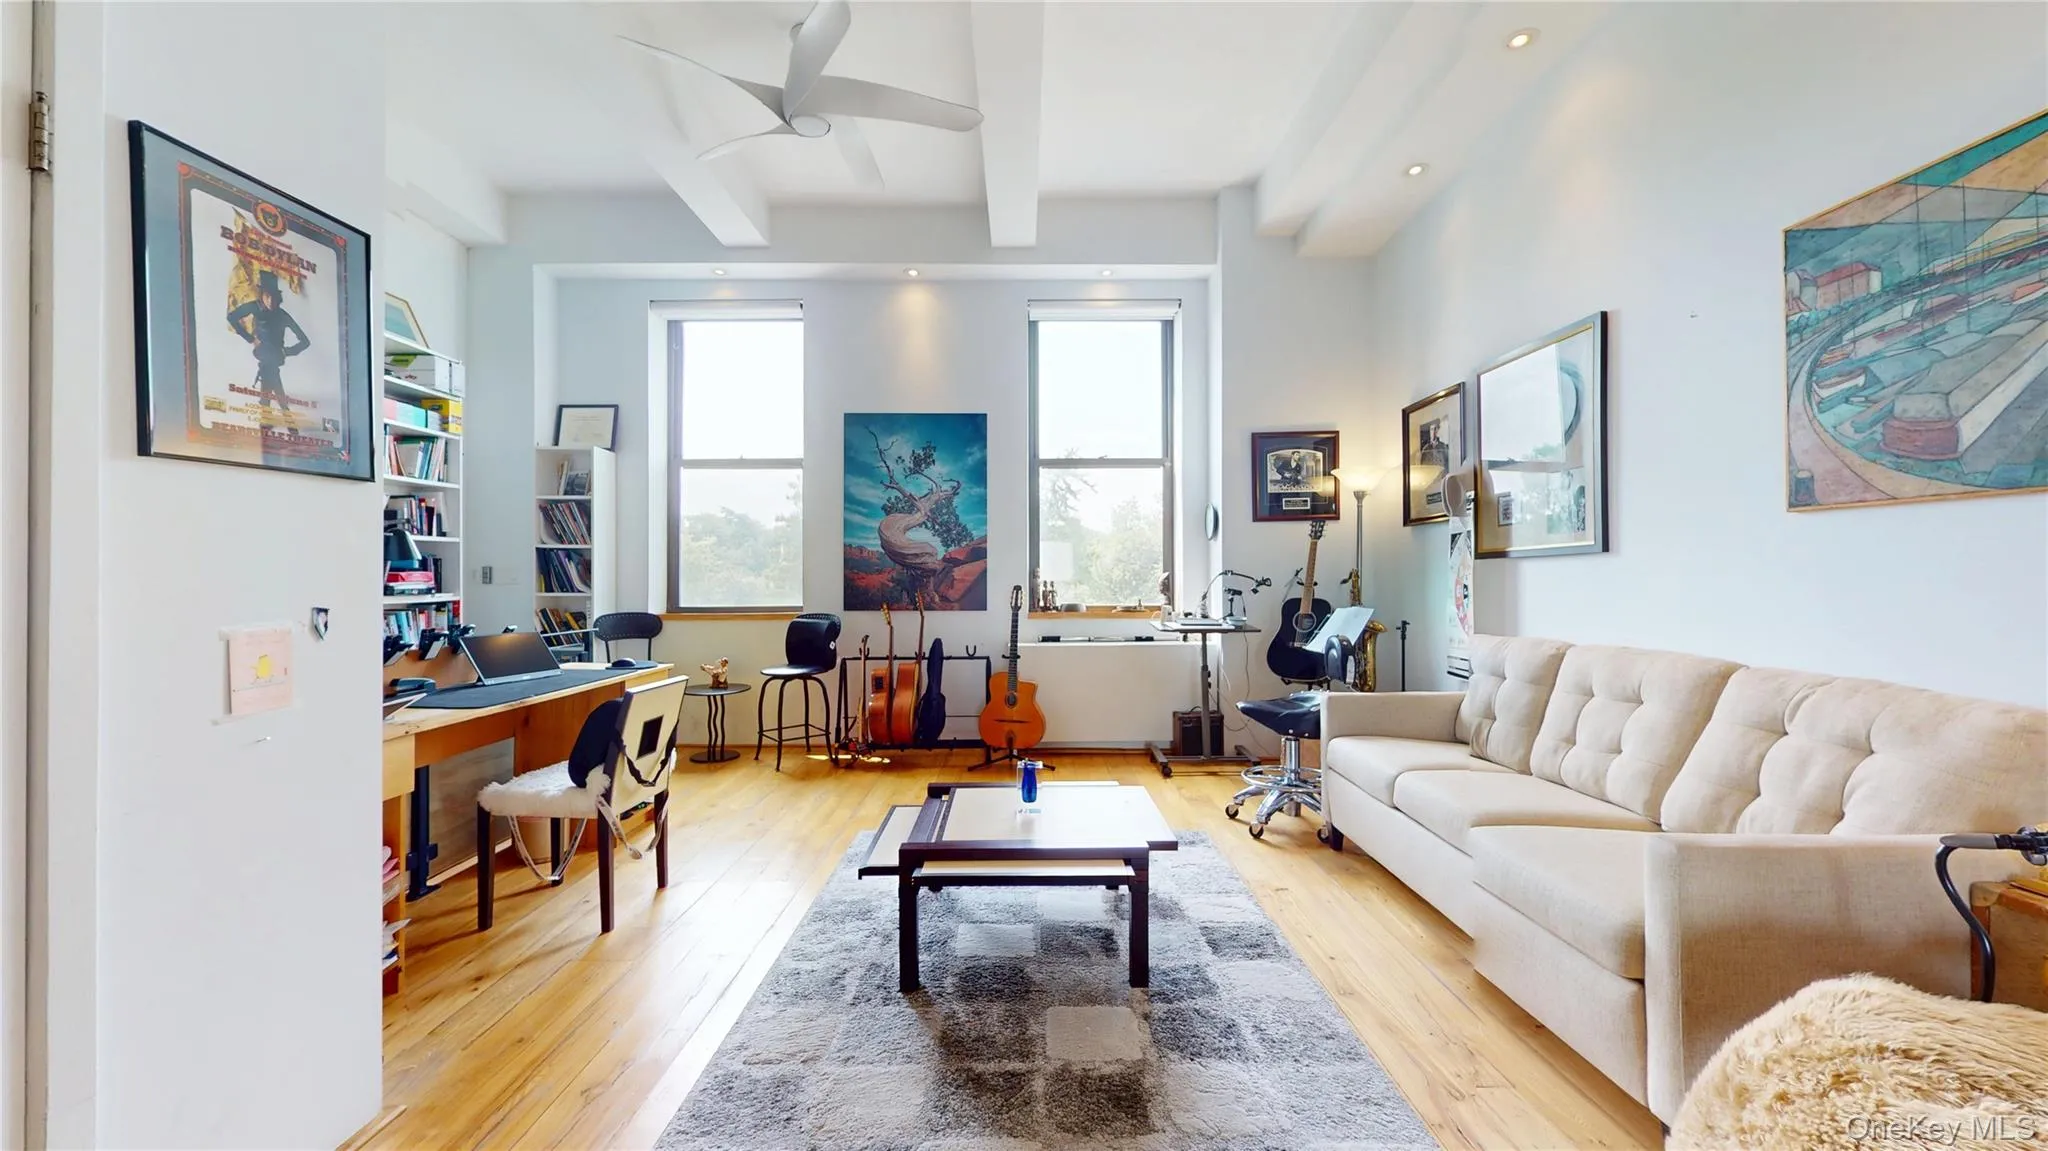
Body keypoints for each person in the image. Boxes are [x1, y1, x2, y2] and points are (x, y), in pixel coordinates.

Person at [227, 269, 310, 424]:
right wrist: (250, 338)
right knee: (275, 392)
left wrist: (286, 352)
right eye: (267, 296)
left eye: (273, 297)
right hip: (264, 357)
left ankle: (272, 423)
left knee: (272, 392)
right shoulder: (254, 307)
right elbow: (231, 317)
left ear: (278, 298)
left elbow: (305, 341)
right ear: (262, 295)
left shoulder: (283, 315)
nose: (270, 301)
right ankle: (282, 422)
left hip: (275, 358)